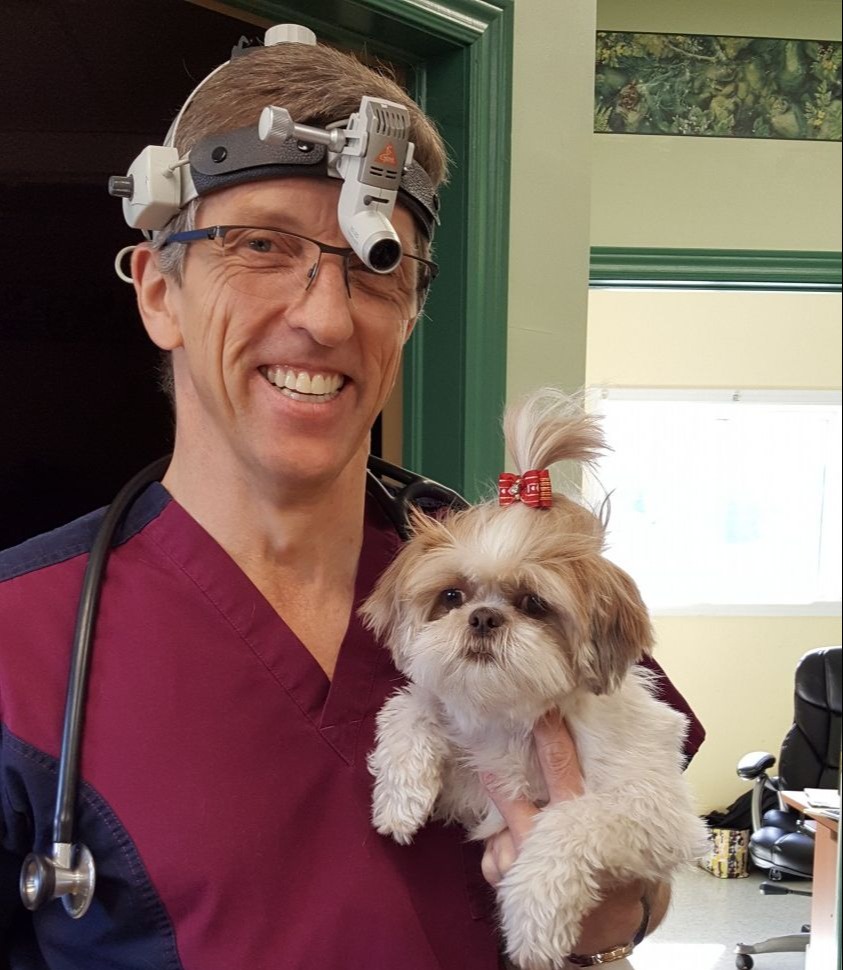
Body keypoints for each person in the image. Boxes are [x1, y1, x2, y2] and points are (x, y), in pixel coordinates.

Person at [0, 27, 704, 970]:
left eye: (378, 265)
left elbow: (641, 851)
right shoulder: (23, 639)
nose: (326, 316)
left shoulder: (507, 573)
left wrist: (626, 914)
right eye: (259, 244)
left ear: (410, 310)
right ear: (159, 290)